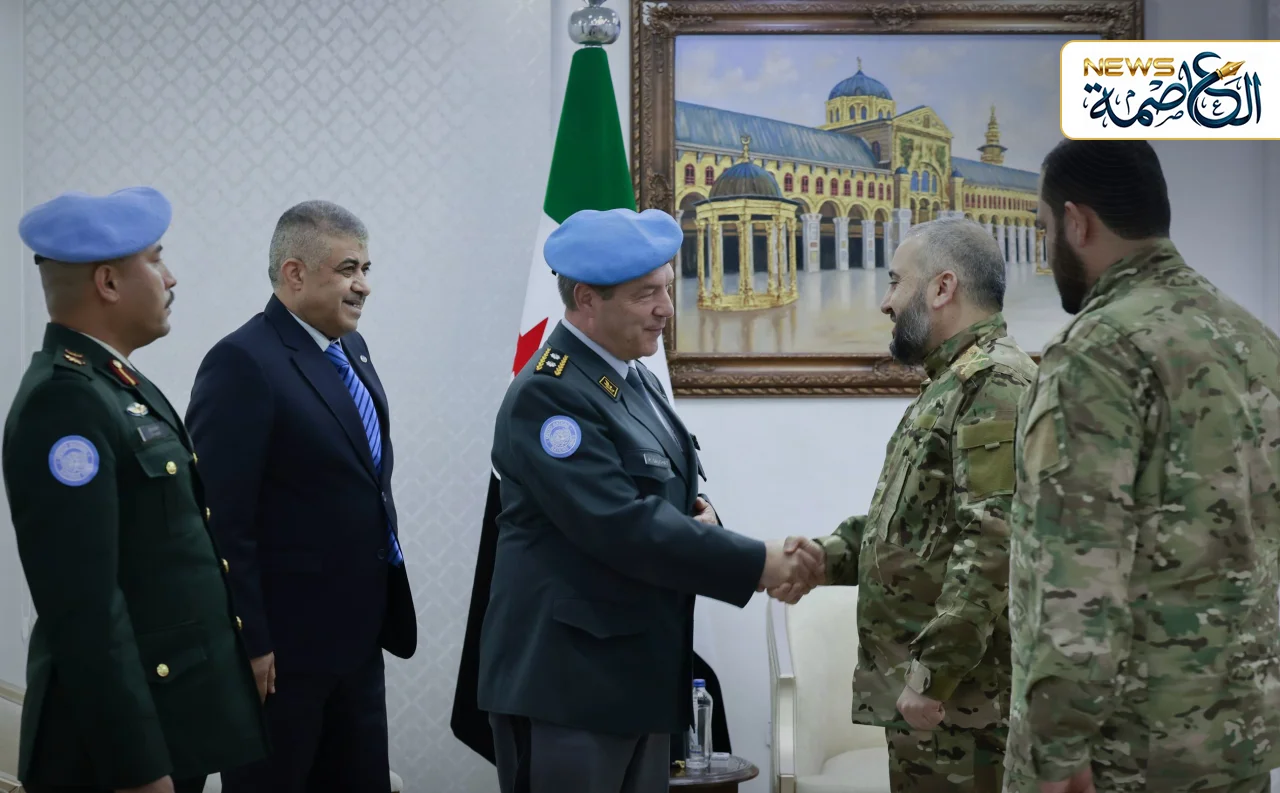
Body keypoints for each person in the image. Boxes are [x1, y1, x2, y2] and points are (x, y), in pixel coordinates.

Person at [477, 207, 824, 793]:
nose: (667, 307)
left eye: (666, 287)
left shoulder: (634, 378)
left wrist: (706, 517)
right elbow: (620, 524)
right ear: (587, 299)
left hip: (638, 677)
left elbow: (667, 489)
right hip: (570, 686)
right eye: (647, 294)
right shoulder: (549, 394)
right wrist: (759, 561)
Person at [1004, 140, 1280, 793]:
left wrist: (1057, 746)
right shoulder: (1255, 341)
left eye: (1045, 226)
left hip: (1122, 752)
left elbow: (1075, 570)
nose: (1047, 244)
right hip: (1237, 740)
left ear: (1077, 222)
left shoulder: (1097, 351)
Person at [3, 187, 268, 793]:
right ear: (108, 282)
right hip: (117, 754)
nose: (170, 278)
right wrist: (138, 769)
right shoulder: (64, 402)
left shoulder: (116, 384)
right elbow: (85, 608)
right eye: (156, 259)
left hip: (171, 720)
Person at [776, 217, 1036, 792]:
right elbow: (914, 526)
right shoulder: (951, 382)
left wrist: (933, 673)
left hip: (963, 706)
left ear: (942, 288)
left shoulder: (994, 383)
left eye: (896, 281)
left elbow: (992, 541)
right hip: (936, 706)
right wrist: (825, 555)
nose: (885, 302)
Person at [184, 200, 416, 792]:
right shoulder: (242, 362)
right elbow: (220, 519)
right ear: (295, 273)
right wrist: (250, 643)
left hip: (357, 643)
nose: (364, 285)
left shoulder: (351, 351)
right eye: (348, 269)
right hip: (282, 657)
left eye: (366, 268)